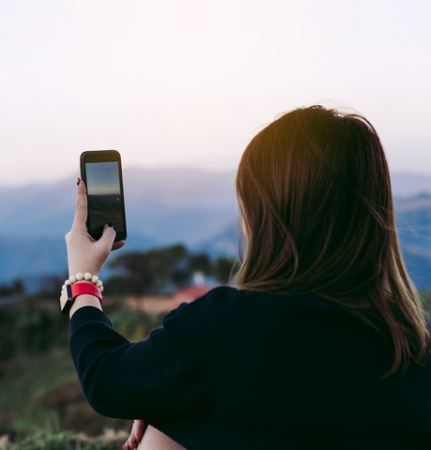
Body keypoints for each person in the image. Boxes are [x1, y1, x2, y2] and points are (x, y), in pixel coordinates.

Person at [63, 106, 431, 450]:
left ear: (267, 216)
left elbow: (105, 379)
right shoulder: (418, 344)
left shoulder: (225, 329)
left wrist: (83, 281)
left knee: (158, 435)